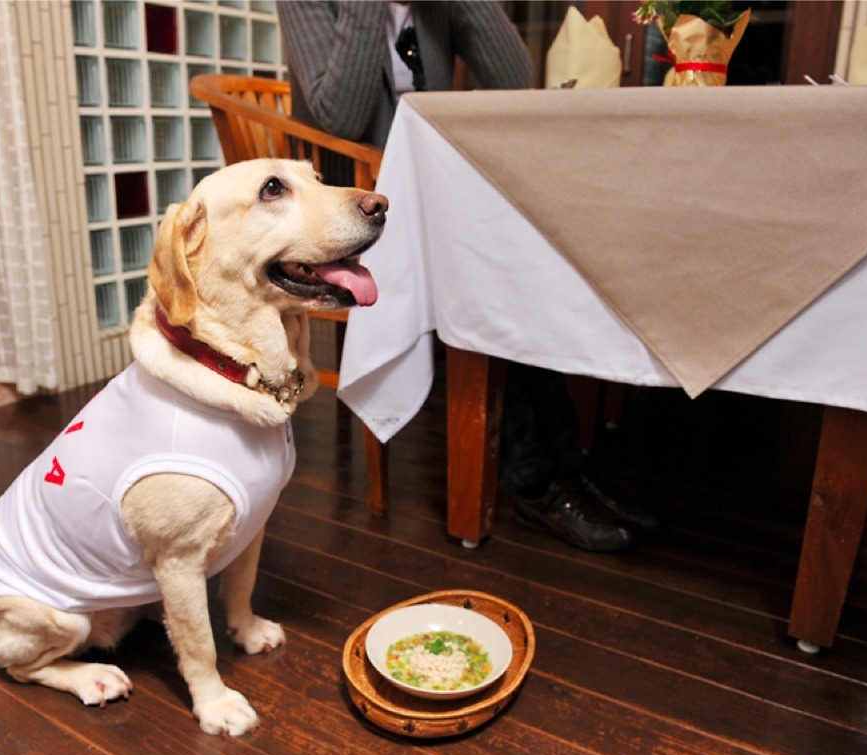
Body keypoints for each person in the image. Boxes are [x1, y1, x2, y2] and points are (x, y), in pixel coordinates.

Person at [278, 0, 655, 552]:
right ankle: (537, 481)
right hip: (358, 210)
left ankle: (565, 467)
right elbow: (340, 114)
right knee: (497, 274)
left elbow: (513, 79)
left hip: (437, 195)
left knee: (525, 262)